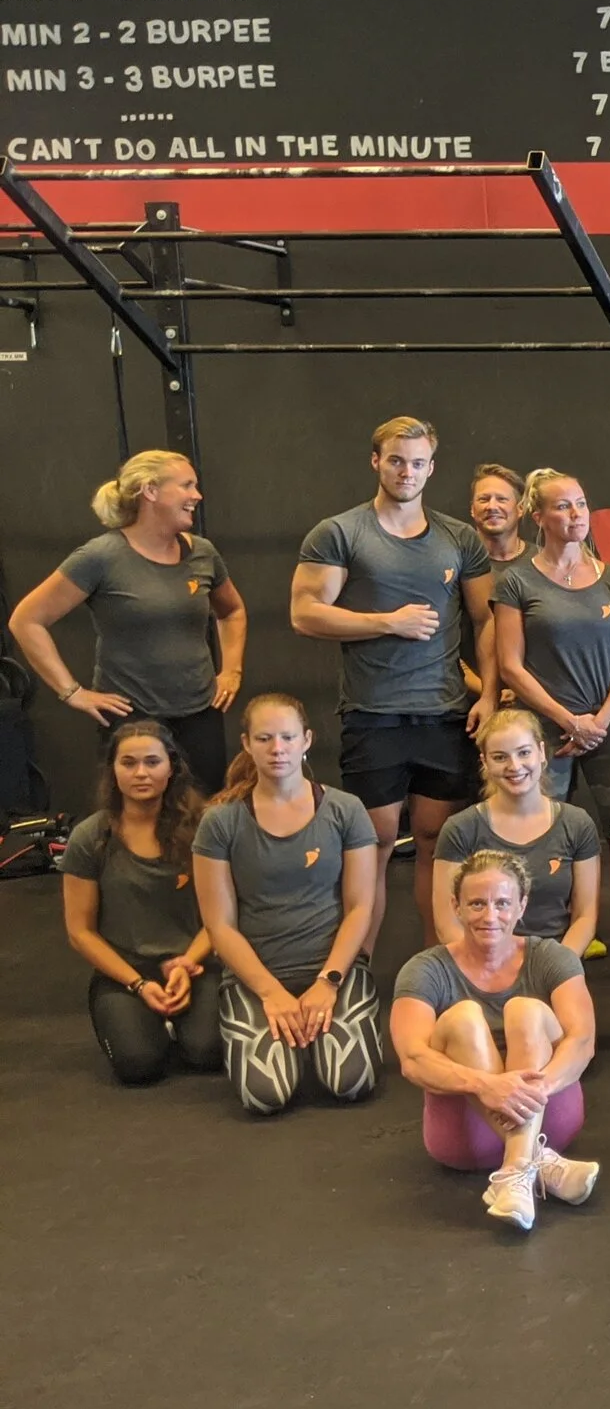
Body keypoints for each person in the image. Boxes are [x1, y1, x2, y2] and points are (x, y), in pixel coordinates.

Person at [291, 416, 493, 951]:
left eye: (418, 463)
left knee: (437, 843)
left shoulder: (458, 538)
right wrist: (387, 622)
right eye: (397, 461)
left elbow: (487, 620)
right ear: (376, 462)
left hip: (444, 715)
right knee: (375, 842)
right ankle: (355, 966)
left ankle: (437, 965)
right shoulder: (341, 533)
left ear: (431, 468)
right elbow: (305, 613)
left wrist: (491, 694)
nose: (407, 472)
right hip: (373, 713)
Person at [192, 694, 384, 1115]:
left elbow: (360, 908)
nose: (277, 749)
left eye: (287, 737)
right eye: (264, 739)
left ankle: (313, 1033)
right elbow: (219, 926)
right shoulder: (220, 821)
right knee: (266, 1096)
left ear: (307, 740)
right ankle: (290, 1032)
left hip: (332, 970)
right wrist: (270, 993)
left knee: (349, 1082)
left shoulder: (345, 809)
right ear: (246, 744)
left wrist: (328, 982)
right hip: (258, 974)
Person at [10, 448, 246, 790]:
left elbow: (232, 611)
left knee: (204, 812)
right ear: (150, 491)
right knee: (139, 813)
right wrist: (72, 692)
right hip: (132, 717)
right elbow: (26, 620)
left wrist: (232, 670)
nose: (197, 495)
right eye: (186, 485)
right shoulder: (101, 557)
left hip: (199, 711)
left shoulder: (202, 553)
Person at [390, 850, 600, 1233]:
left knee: (527, 1010)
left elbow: (583, 1041)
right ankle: (535, 1162)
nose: (490, 916)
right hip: (466, 1137)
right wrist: (486, 1085)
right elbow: (412, 1058)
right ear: (456, 906)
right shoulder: (424, 969)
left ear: (522, 906)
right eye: (477, 904)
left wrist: (533, 1091)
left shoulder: (551, 957)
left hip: (548, 1115)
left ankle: (516, 1169)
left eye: (502, 903)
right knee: (463, 1018)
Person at [61, 720, 223, 1085]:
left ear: (171, 767)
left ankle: (177, 1024)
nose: (141, 773)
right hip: (125, 974)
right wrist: (137, 984)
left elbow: (221, 916)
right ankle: (146, 1022)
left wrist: (187, 964)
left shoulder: (204, 828)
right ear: (113, 771)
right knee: (139, 1065)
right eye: (129, 763)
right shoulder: (90, 837)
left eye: (152, 762)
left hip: (194, 964)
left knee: (207, 1052)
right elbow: (80, 932)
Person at [491, 467, 610, 827]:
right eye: (562, 506)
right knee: (541, 825)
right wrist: (570, 722)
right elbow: (509, 665)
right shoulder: (516, 581)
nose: (576, 514)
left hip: (608, 726)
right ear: (539, 518)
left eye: (581, 504)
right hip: (546, 726)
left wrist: (598, 723)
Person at [433, 709, 602, 955]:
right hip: (481, 962)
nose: (514, 766)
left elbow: (585, 917)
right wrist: (492, 967)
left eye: (524, 752)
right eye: (500, 757)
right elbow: (447, 924)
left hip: (556, 961)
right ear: (485, 762)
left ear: (541, 752)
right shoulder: (460, 829)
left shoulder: (577, 824)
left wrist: (557, 968)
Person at [468, 463, 528, 570]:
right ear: (472, 509)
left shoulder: (544, 562)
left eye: (501, 499)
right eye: (484, 499)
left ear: (520, 509)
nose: (492, 507)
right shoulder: (457, 561)